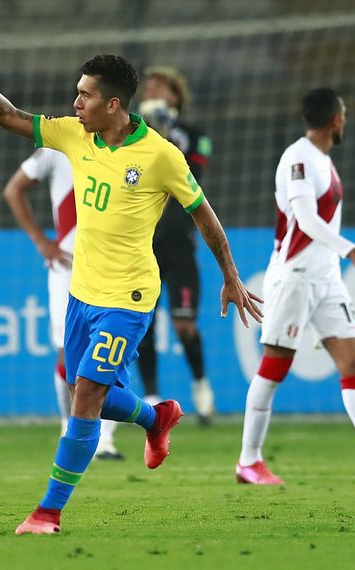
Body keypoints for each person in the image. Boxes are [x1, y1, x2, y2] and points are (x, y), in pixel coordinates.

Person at [0, 22, 262, 535]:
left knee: (84, 399)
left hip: (130, 296)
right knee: (90, 390)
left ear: (114, 104)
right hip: (82, 293)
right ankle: (155, 416)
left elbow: (204, 216)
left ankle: (47, 512)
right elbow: (9, 117)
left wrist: (230, 277)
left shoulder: (162, 156)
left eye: (85, 95)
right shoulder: (75, 135)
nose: (74, 103)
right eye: (76, 93)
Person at [236, 87, 355, 485]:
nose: (345, 121)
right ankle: (248, 461)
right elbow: (305, 220)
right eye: (344, 114)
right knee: (274, 367)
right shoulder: (299, 158)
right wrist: (351, 251)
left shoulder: (324, 161)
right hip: (295, 277)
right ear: (335, 119)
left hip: (326, 280)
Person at [3, 148, 122, 460]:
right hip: (67, 268)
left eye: (89, 96)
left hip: (111, 267)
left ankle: (104, 439)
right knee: (67, 353)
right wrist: (41, 241)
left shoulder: (126, 145)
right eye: (80, 95)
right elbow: (13, 189)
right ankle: (68, 427)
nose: (81, 104)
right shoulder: (57, 148)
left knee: (110, 351)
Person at [136, 67, 214, 424]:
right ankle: (152, 397)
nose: (152, 90)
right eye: (148, 86)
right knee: (142, 324)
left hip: (180, 245)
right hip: (142, 246)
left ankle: (200, 384)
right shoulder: (132, 134)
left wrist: (166, 138)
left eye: (161, 86)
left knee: (185, 326)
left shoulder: (195, 136)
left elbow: (193, 180)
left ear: (176, 96)